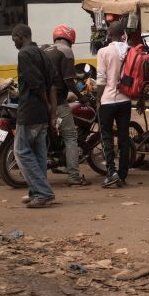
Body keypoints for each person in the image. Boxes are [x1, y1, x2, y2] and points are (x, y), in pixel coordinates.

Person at [12, 23, 58, 208]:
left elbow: (36, 84)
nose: (14, 42)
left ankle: (42, 192)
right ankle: (36, 190)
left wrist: (47, 104)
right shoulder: (42, 53)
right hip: (42, 113)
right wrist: (51, 111)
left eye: (14, 39)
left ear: (20, 36)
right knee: (39, 153)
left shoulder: (24, 54)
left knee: (21, 151)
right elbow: (53, 84)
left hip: (30, 110)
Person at [43, 25, 91, 186]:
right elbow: (68, 80)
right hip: (58, 101)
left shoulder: (46, 50)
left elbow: (60, 72)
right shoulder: (66, 51)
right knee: (71, 137)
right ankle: (74, 177)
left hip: (43, 100)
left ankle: (57, 163)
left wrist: (78, 75)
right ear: (71, 38)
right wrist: (81, 97)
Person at [95, 20, 131, 188]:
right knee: (124, 138)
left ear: (109, 35)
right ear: (123, 34)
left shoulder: (103, 52)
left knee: (106, 136)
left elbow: (101, 80)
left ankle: (111, 172)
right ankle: (122, 175)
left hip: (108, 100)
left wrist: (97, 99)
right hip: (125, 100)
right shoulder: (130, 51)